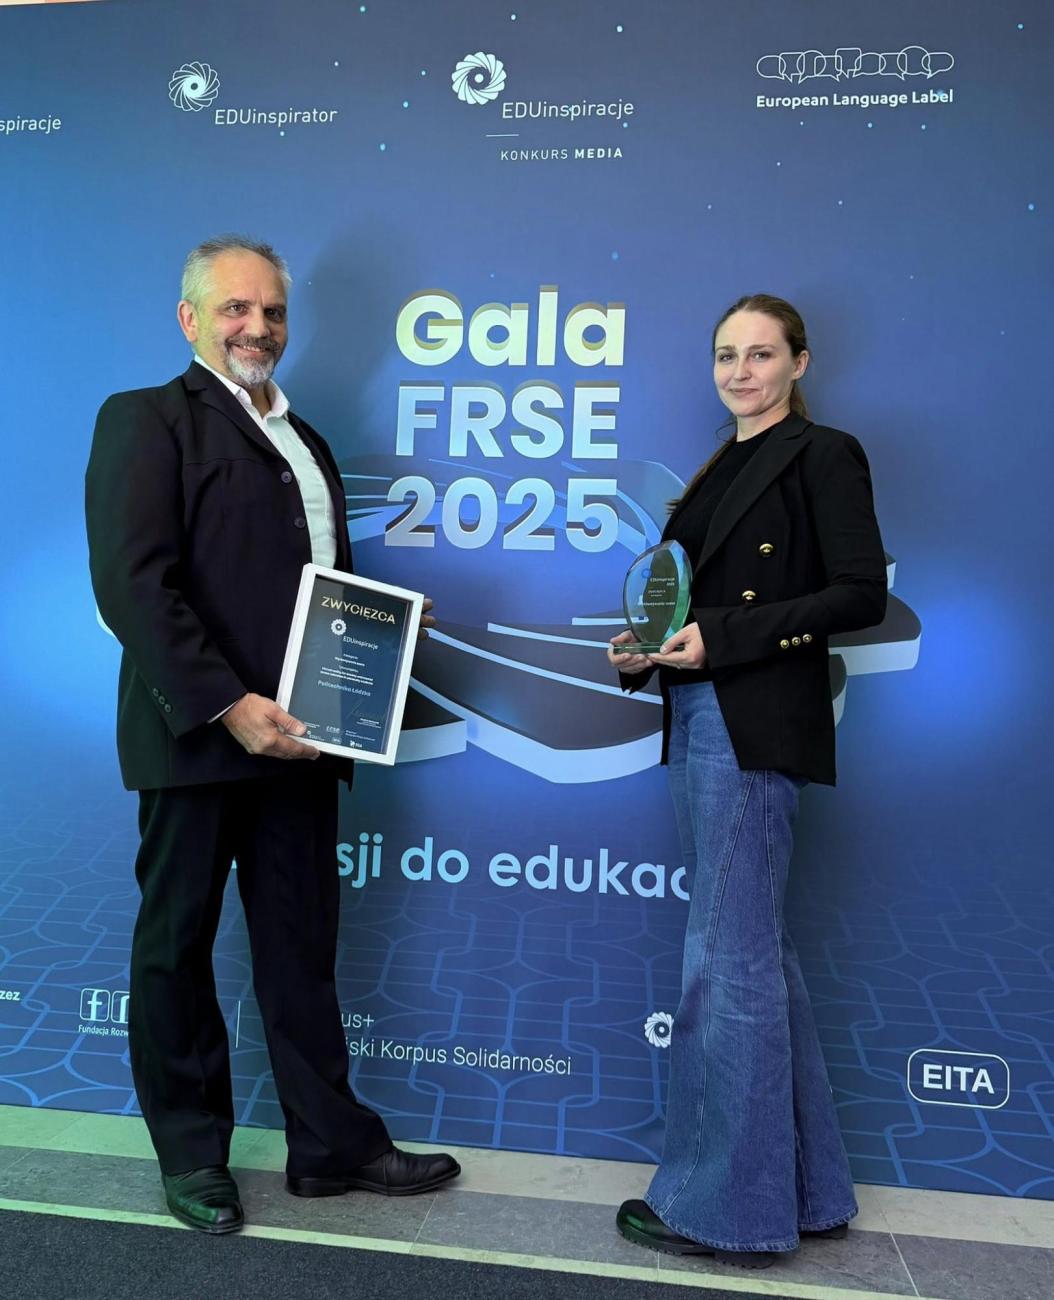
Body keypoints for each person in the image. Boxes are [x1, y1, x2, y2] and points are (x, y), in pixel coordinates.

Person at [85, 235, 459, 1235]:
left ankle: (330, 1146)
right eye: (236, 308)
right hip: (199, 738)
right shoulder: (145, 418)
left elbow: (313, 588)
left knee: (301, 947)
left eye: (273, 312)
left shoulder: (307, 438)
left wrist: (377, 643)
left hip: (302, 741)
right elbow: (132, 584)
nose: (258, 328)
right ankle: (192, 1154)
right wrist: (227, 703)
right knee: (176, 947)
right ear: (191, 319)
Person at [608, 294, 886, 1268]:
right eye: (726, 354)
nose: (740, 371)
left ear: (799, 363)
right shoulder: (716, 466)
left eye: (761, 354)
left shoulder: (824, 453)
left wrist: (720, 638)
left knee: (724, 964)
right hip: (700, 712)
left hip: (753, 721)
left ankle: (722, 1210)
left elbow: (861, 593)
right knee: (753, 954)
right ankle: (806, 1191)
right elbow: (691, 602)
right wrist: (647, 650)